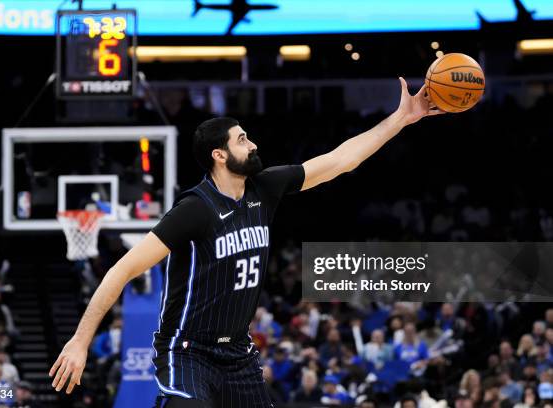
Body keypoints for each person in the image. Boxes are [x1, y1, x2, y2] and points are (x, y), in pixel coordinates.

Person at [49, 78, 444, 407]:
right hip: (188, 350)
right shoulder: (195, 209)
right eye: (242, 140)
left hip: (237, 352)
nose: (252, 144)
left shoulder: (265, 188)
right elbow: (122, 269)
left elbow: (341, 160)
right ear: (219, 155)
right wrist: (80, 342)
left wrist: (402, 118)